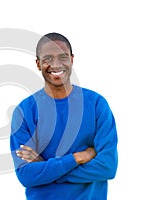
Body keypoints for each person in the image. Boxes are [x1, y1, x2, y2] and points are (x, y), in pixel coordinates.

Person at [10, 32, 118, 200]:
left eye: (63, 57)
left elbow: (107, 167)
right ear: (38, 64)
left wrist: (46, 168)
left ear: (72, 59)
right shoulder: (25, 111)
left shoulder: (96, 104)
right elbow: (26, 175)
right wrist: (77, 158)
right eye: (47, 59)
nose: (56, 64)